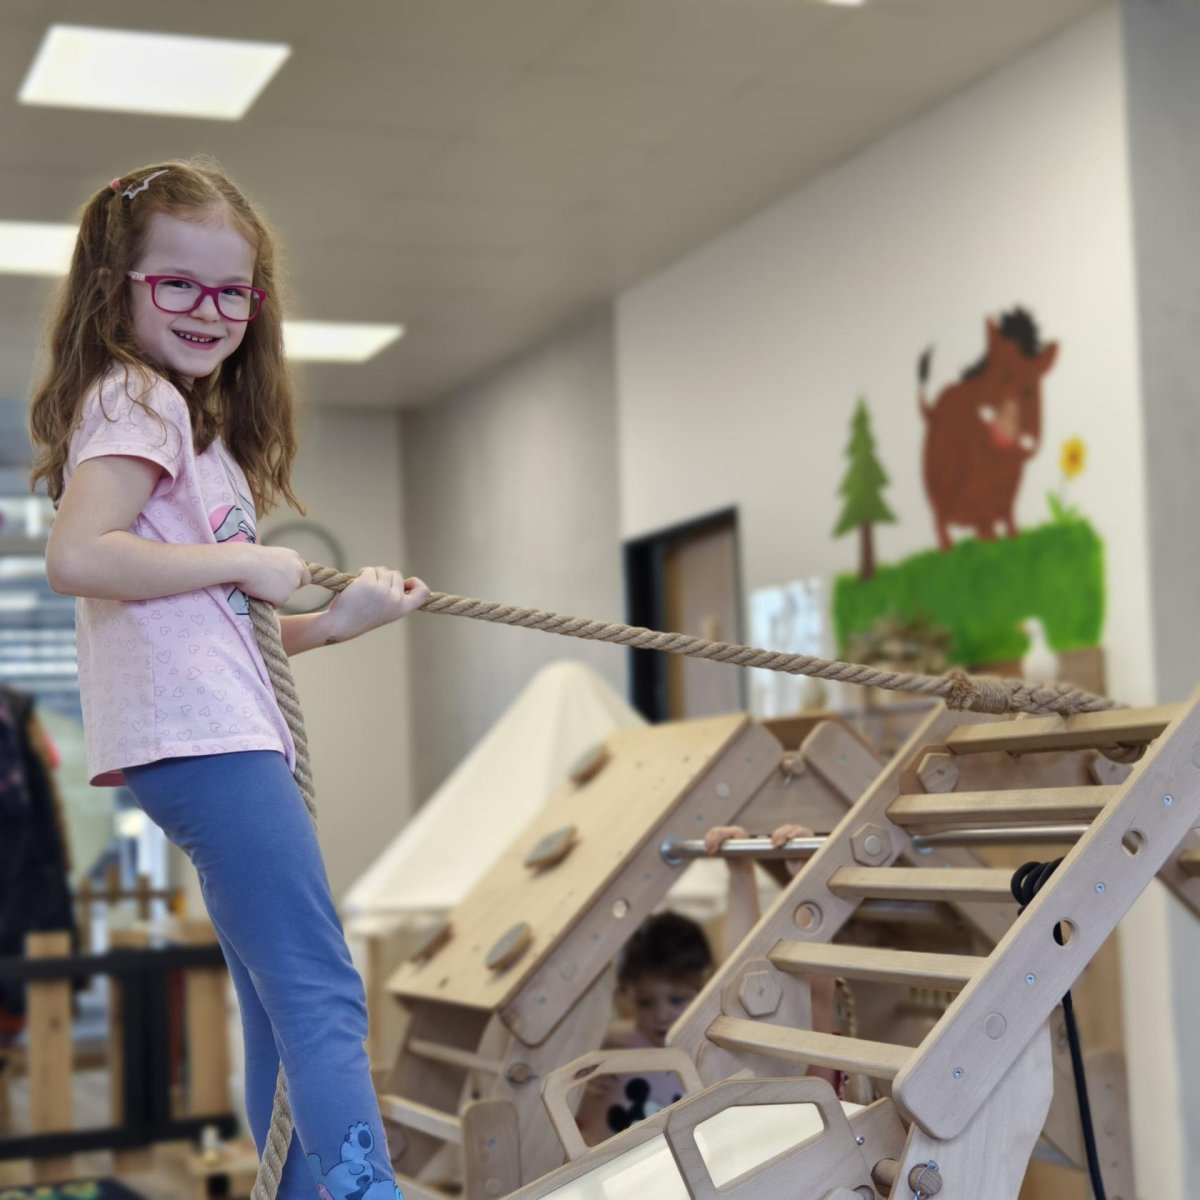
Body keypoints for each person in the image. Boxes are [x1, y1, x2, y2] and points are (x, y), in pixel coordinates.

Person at [29, 159, 427, 1200]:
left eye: (233, 291)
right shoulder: (137, 398)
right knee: (321, 990)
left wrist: (329, 625)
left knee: (277, 1000)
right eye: (178, 283)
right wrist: (243, 561)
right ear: (115, 287)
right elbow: (80, 555)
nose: (210, 310)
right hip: (208, 743)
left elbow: (199, 632)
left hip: (207, 730)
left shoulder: (187, 427)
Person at [704, 823, 839, 1091]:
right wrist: (740, 870)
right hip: (756, 1096)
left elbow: (815, 996)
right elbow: (738, 984)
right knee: (743, 997)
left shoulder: (812, 1051)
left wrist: (808, 879)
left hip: (807, 1092)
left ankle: (803, 877)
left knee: (806, 1006)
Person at [575, 911, 712, 1145]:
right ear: (628, 996)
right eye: (645, 1003)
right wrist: (582, 1088)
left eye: (677, 1000)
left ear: (706, 987)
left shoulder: (709, 1050)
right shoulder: (612, 1047)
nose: (661, 1015)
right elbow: (579, 1120)